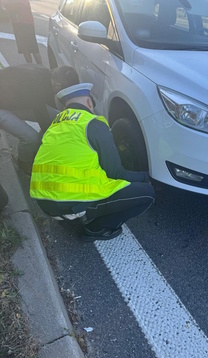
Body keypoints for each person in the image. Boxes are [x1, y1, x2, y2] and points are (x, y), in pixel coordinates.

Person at [30, 83, 155, 241]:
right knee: (148, 194)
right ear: (89, 102)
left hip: (44, 201)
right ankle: (96, 229)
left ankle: (69, 218)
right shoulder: (92, 123)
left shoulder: (55, 124)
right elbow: (116, 173)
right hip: (68, 202)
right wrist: (147, 178)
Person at [0, 64, 79, 172]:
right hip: (2, 108)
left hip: (13, 102)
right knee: (31, 138)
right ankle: (24, 163)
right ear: (58, 85)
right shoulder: (36, 86)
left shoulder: (46, 74)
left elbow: (53, 110)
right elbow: (44, 121)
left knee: (58, 118)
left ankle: (35, 150)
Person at [2, 0, 42, 64]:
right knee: (24, 48)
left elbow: (7, 4)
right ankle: (31, 67)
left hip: (25, 22)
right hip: (18, 22)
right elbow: (5, 4)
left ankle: (40, 68)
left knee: (33, 48)